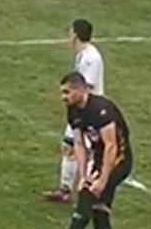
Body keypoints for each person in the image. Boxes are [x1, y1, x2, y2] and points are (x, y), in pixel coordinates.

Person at [38, 71, 133, 229]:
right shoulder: (73, 110)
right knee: (99, 211)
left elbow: (112, 147)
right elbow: (80, 144)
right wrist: (84, 175)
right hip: (99, 158)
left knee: (90, 194)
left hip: (119, 159)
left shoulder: (101, 110)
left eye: (67, 92)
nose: (63, 97)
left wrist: (101, 179)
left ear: (81, 90)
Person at [43, 19, 105, 203]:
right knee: (69, 147)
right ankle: (65, 189)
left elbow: (86, 87)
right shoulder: (83, 55)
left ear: (76, 34)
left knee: (88, 152)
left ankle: (90, 191)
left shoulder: (91, 58)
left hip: (90, 111)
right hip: (78, 108)